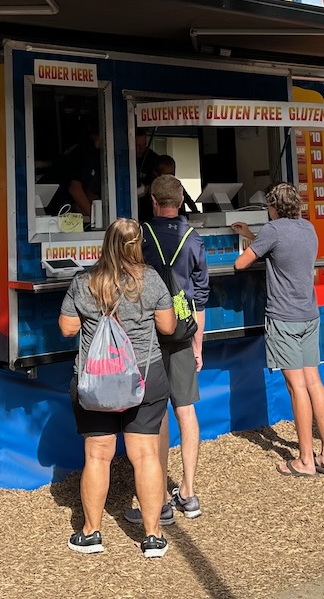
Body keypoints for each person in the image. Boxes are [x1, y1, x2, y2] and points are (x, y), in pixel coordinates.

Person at [59, 218, 177, 558]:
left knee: (97, 454)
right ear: (137, 245)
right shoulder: (151, 280)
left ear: (106, 243)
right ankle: (152, 537)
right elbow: (168, 327)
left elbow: (67, 329)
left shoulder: (84, 281)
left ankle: (91, 533)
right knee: (146, 454)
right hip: (145, 376)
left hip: (97, 382)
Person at [232, 182, 324, 478]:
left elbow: (241, 264)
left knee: (296, 387)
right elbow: (284, 250)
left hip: (284, 318)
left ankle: (304, 460)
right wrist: (252, 236)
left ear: (273, 207)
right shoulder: (307, 228)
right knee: (314, 382)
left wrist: (251, 241)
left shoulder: (273, 230)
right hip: (309, 314)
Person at [126, 174, 209, 526]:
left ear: (154, 202)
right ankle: (188, 493)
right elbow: (201, 297)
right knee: (186, 410)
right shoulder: (193, 238)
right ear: (179, 202)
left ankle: (160, 499)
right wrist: (197, 345)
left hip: (148, 333)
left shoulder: (141, 236)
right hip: (182, 330)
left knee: (157, 414)